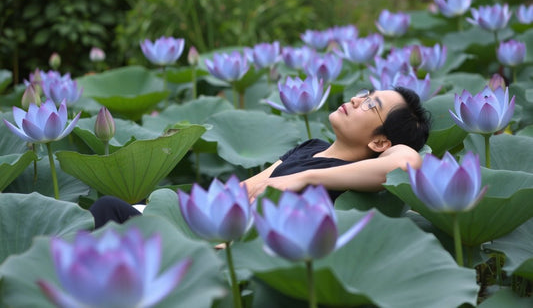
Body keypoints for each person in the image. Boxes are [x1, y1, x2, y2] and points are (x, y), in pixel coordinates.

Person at [90, 87, 431, 228]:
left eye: (372, 105)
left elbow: (406, 163)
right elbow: (245, 189)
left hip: (237, 246)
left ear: (380, 142)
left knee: (106, 211)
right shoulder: (310, 145)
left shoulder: (364, 168)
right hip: (214, 223)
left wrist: (304, 178)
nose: (357, 100)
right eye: (365, 94)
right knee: (111, 211)